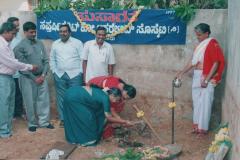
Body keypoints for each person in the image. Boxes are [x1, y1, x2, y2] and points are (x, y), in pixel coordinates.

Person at [176, 23, 225, 135]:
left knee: (205, 103)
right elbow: (192, 62)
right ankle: (197, 126)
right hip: (198, 75)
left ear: (207, 33)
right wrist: (181, 73)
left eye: (199, 35)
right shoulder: (200, 46)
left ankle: (203, 129)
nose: (197, 37)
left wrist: (207, 79)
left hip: (207, 76)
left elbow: (216, 63)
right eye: (197, 35)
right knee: (197, 102)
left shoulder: (212, 44)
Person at [14, 21, 54, 132]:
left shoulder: (40, 43)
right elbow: (21, 67)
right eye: (31, 32)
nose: (33, 34)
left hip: (41, 77)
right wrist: (34, 78)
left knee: (44, 100)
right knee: (29, 101)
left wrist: (43, 75)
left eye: (35, 32)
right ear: (25, 32)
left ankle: (44, 122)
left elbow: (46, 60)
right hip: (27, 78)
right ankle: (32, 123)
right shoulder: (19, 47)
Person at [0, 22, 37, 138]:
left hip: (9, 77)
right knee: (4, 105)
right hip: (3, 78)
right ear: (5, 32)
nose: (14, 36)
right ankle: (3, 130)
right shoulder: (1, 45)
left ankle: (7, 128)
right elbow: (12, 63)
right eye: (12, 34)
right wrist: (29, 67)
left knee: (10, 104)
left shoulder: (6, 44)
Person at [63, 86, 133, 146]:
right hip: (74, 99)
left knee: (73, 118)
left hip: (70, 92)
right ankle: (88, 140)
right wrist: (124, 121)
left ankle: (73, 138)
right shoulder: (105, 98)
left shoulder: (103, 92)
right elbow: (109, 117)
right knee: (88, 118)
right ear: (112, 95)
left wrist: (119, 120)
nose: (115, 101)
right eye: (116, 99)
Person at [50, 24, 84, 127]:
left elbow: (82, 59)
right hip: (59, 75)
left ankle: (74, 119)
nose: (62, 33)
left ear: (69, 32)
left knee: (75, 98)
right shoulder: (55, 44)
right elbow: (52, 59)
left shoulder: (77, 43)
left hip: (75, 75)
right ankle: (63, 119)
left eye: (65, 31)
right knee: (61, 98)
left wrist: (80, 72)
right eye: (60, 31)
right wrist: (54, 71)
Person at [7, 17, 24, 118]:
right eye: (16, 25)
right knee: (8, 94)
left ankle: (18, 113)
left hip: (18, 71)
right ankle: (9, 113)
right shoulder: (4, 39)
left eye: (18, 25)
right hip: (7, 72)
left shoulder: (19, 38)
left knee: (18, 93)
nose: (18, 27)